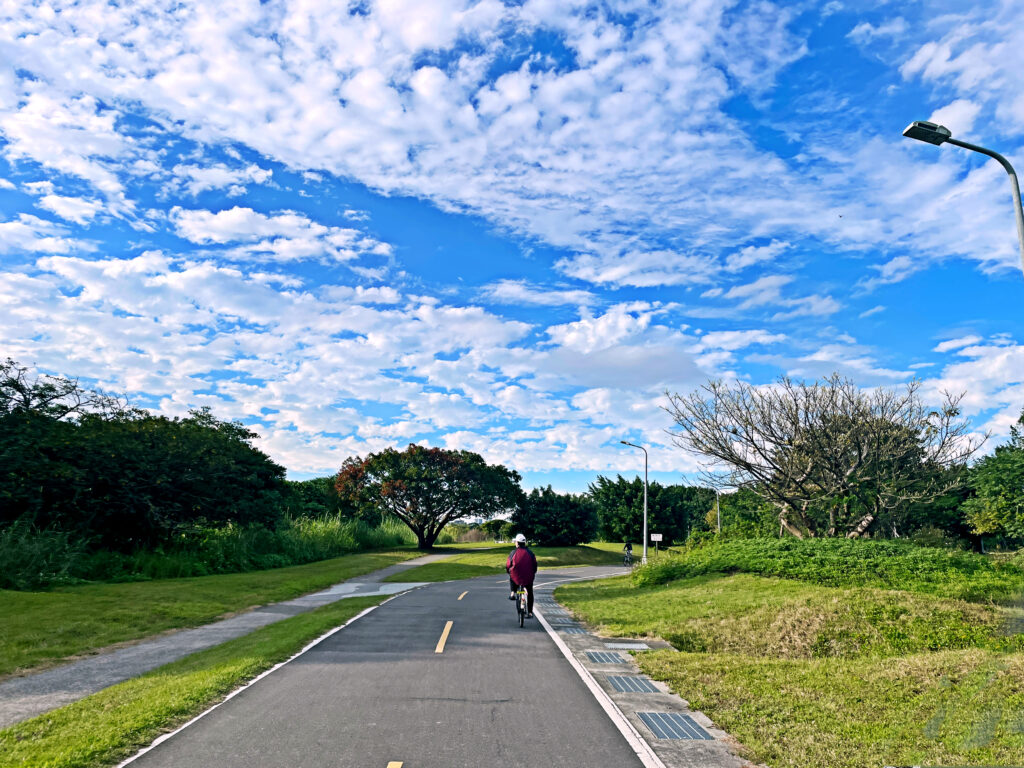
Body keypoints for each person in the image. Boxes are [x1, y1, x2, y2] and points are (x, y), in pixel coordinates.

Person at [506, 533, 538, 617]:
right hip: (528, 577)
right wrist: (533, 572)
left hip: (516, 577)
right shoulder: (530, 553)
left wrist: (508, 571)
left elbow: (508, 565)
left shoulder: (513, 553)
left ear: (517, 543)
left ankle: (512, 593)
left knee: (511, 575)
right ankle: (530, 612)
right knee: (530, 592)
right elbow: (535, 565)